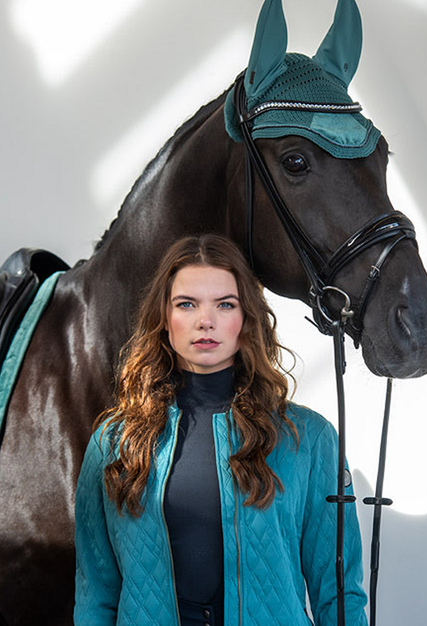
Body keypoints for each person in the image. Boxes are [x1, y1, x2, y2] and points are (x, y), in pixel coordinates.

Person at [74, 234, 368, 626]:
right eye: (187, 304)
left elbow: (338, 593)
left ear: (245, 317)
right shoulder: (115, 441)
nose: (205, 321)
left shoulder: (309, 439)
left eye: (224, 304)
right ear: (164, 318)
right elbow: (96, 592)